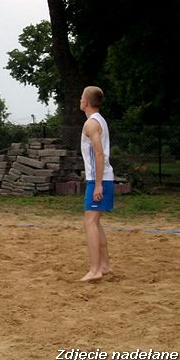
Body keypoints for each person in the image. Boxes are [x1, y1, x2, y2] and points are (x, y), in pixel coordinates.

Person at [79, 85, 114, 282]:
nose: (79, 100)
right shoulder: (99, 120)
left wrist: (98, 184)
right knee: (95, 221)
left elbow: (99, 153)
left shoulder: (91, 124)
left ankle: (95, 270)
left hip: (98, 179)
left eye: (81, 97)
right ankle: (105, 265)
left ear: (86, 102)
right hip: (101, 177)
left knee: (89, 221)